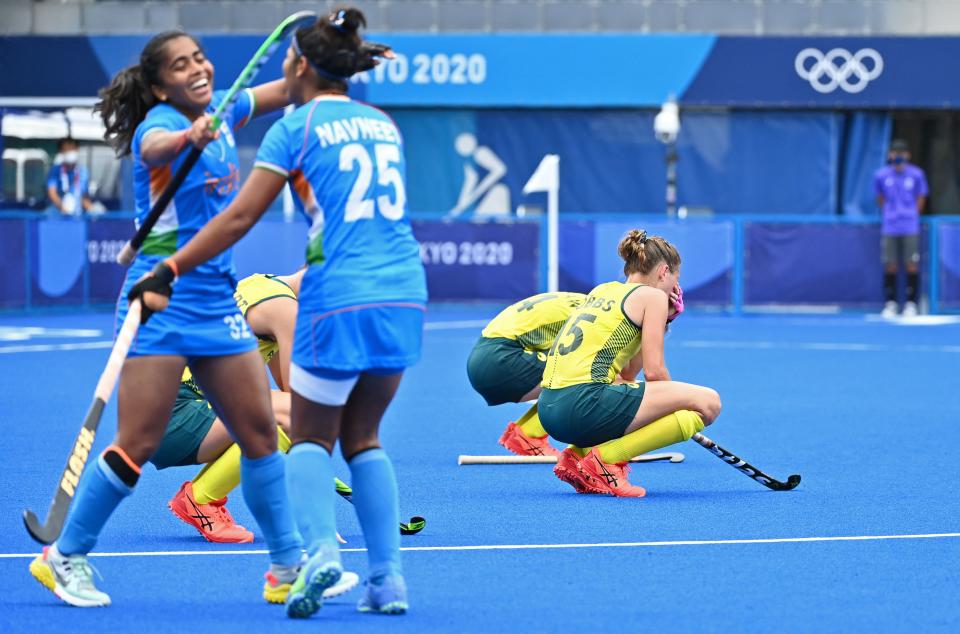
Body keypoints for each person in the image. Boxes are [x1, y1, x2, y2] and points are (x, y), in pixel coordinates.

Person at [126, 9, 423, 619]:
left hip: (335, 291)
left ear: (300, 65)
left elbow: (237, 218)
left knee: (311, 435)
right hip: (404, 291)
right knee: (365, 439)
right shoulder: (382, 123)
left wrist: (169, 267)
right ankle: (388, 582)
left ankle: (315, 558)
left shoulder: (296, 128)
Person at [29, 30, 306, 608]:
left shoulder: (229, 108)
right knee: (136, 441)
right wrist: (188, 133)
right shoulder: (159, 123)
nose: (196, 70)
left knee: (260, 435)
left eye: (199, 58)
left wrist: (334, 56)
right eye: (180, 66)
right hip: (159, 300)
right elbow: (155, 146)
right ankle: (64, 556)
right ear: (159, 84)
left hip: (215, 303)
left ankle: (287, 566)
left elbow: (288, 88)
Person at [538, 230, 720, 497]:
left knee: (626, 386)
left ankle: (577, 457)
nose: (674, 290)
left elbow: (627, 373)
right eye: (675, 281)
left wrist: (663, 320)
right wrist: (675, 412)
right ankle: (607, 459)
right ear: (664, 271)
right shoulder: (653, 297)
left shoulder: (603, 290)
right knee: (709, 403)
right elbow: (655, 372)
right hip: (580, 405)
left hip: (549, 410)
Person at [466, 292, 587, 457]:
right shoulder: (603, 319)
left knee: (576, 367)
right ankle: (530, 435)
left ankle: (522, 432)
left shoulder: (589, 301)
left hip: (485, 353)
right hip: (500, 359)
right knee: (590, 375)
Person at [874, 138, 928, 318]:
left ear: (908, 155)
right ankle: (891, 303)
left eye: (902, 153)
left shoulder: (916, 174)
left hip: (910, 225)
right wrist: (891, 213)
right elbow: (880, 198)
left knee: (911, 263)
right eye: (895, 153)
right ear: (890, 155)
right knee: (890, 264)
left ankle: (911, 303)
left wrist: (911, 214)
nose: (898, 156)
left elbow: (921, 196)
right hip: (890, 225)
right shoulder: (881, 175)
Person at [46, 138, 94, 215]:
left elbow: (84, 197)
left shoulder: (83, 171)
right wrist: (62, 207)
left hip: (77, 216)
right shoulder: (55, 170)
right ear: (61, 151)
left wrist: (93, 211)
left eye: (72, 149)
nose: (70, 152)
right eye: (66, 149)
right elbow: (52, 193)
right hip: (58, 215)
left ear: (77, 149)